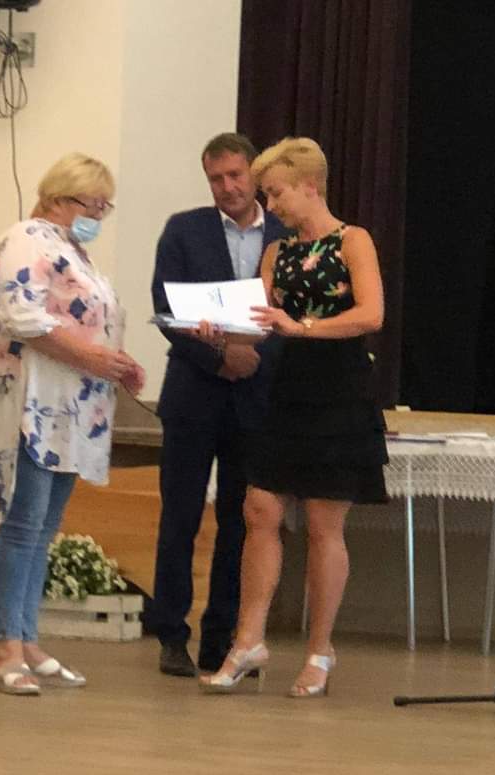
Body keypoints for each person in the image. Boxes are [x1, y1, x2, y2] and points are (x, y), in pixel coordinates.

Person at [197, 137, 388, 698]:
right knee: (259, 508)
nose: (271, 204)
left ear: (310, 186)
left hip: (340, 393)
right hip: (288, 392)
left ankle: (320, 650)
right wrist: (216, 330)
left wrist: (301, 326)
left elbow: (371, 315)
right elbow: (257, 324)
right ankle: (248, 640)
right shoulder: (277, 253)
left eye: (277, 193)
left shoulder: (352, 240)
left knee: (325, 524)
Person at [0, 153, 146, 696]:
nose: (98, 215)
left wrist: (115, 361)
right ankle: (6, 646)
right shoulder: (27, 238)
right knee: (23, 524)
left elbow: (90, 323)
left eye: (104, 207)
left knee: (45, 529)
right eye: (91, 204)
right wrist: (92, 357)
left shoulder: (74, 251)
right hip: (34, 403)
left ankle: (27, 637)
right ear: (57, 198)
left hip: (74, 411)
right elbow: (20, 316)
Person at [148, 133, 288, 677]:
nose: (227, 187)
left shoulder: (284, 233)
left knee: (242, 522)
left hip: (256, 397)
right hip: (193, 393)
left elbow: (296, 313)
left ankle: (222, 639)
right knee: (179, 518)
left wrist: (251, 357)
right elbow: (167, 310)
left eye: (235, 175)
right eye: (216, 178)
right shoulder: (184, 230)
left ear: (254, 174)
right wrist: (219, 357)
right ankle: (170, 635)